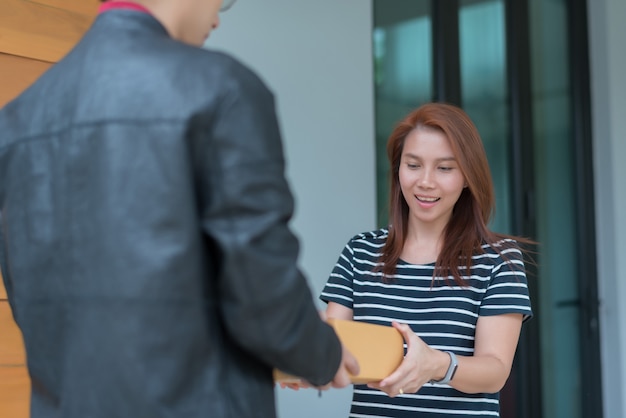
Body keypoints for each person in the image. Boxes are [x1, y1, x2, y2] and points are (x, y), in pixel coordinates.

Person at [0, 1, 358, 417]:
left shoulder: (16, 121)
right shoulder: (221, 86)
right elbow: (261, 291)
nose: (218, 17)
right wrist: (321, 352)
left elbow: (28, 296)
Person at [320, 102, 533, 417]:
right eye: (414, 164)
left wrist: (436, 364)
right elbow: (332, 341)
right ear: (398, 169)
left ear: (466, 176)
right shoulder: (360, 252)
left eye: (444, 168)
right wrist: (305, 363)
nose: (425, 182)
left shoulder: (498, 259)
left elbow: (495, 370)